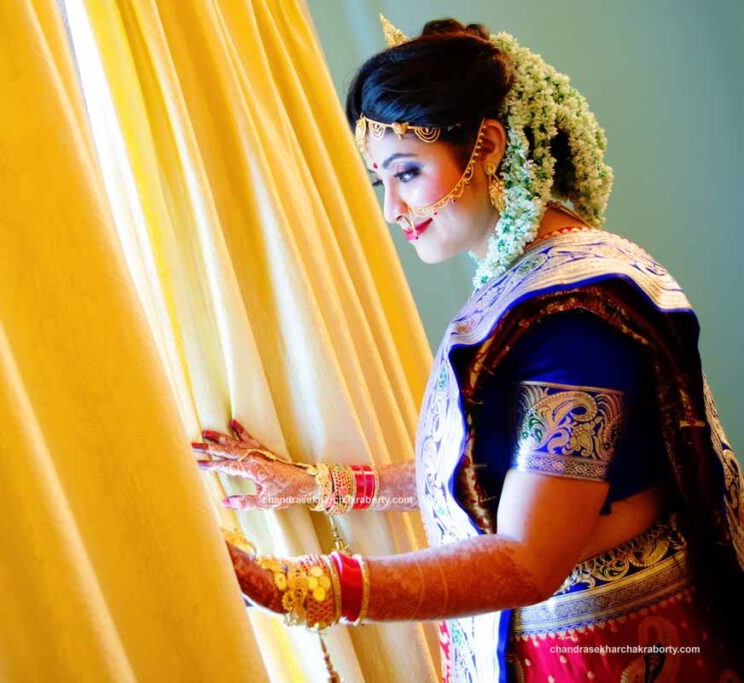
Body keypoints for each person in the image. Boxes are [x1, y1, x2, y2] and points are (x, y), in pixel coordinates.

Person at [192, 16, 744, 683]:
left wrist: (295, 587)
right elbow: (492, 472)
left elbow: (526, 555)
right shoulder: (537, 279)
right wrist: (319, 486)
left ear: (485, 146)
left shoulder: (569, 316)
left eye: (407, 172)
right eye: (381, 182)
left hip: (611, 652)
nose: (392, 208)